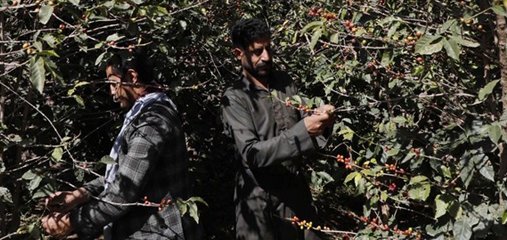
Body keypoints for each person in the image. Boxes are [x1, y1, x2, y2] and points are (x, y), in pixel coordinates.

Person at [41, 48, 200, 239]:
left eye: (113, 83)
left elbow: (124, 191)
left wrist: (73, 222)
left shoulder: (151, 122)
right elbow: (126, 172)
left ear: (132, 77)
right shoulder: (146, 112)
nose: (111, 92)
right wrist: (81, 194)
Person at [221, 18, 336, 240]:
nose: (266, 57)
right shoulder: (235, 98)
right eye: (257, 51)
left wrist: (322, 120)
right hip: (258, 200)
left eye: (268, 48)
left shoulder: (284, 82)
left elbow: (305, 121)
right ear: (238, 53)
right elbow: (252, 154)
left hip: (296, 192)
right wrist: (304, 130)